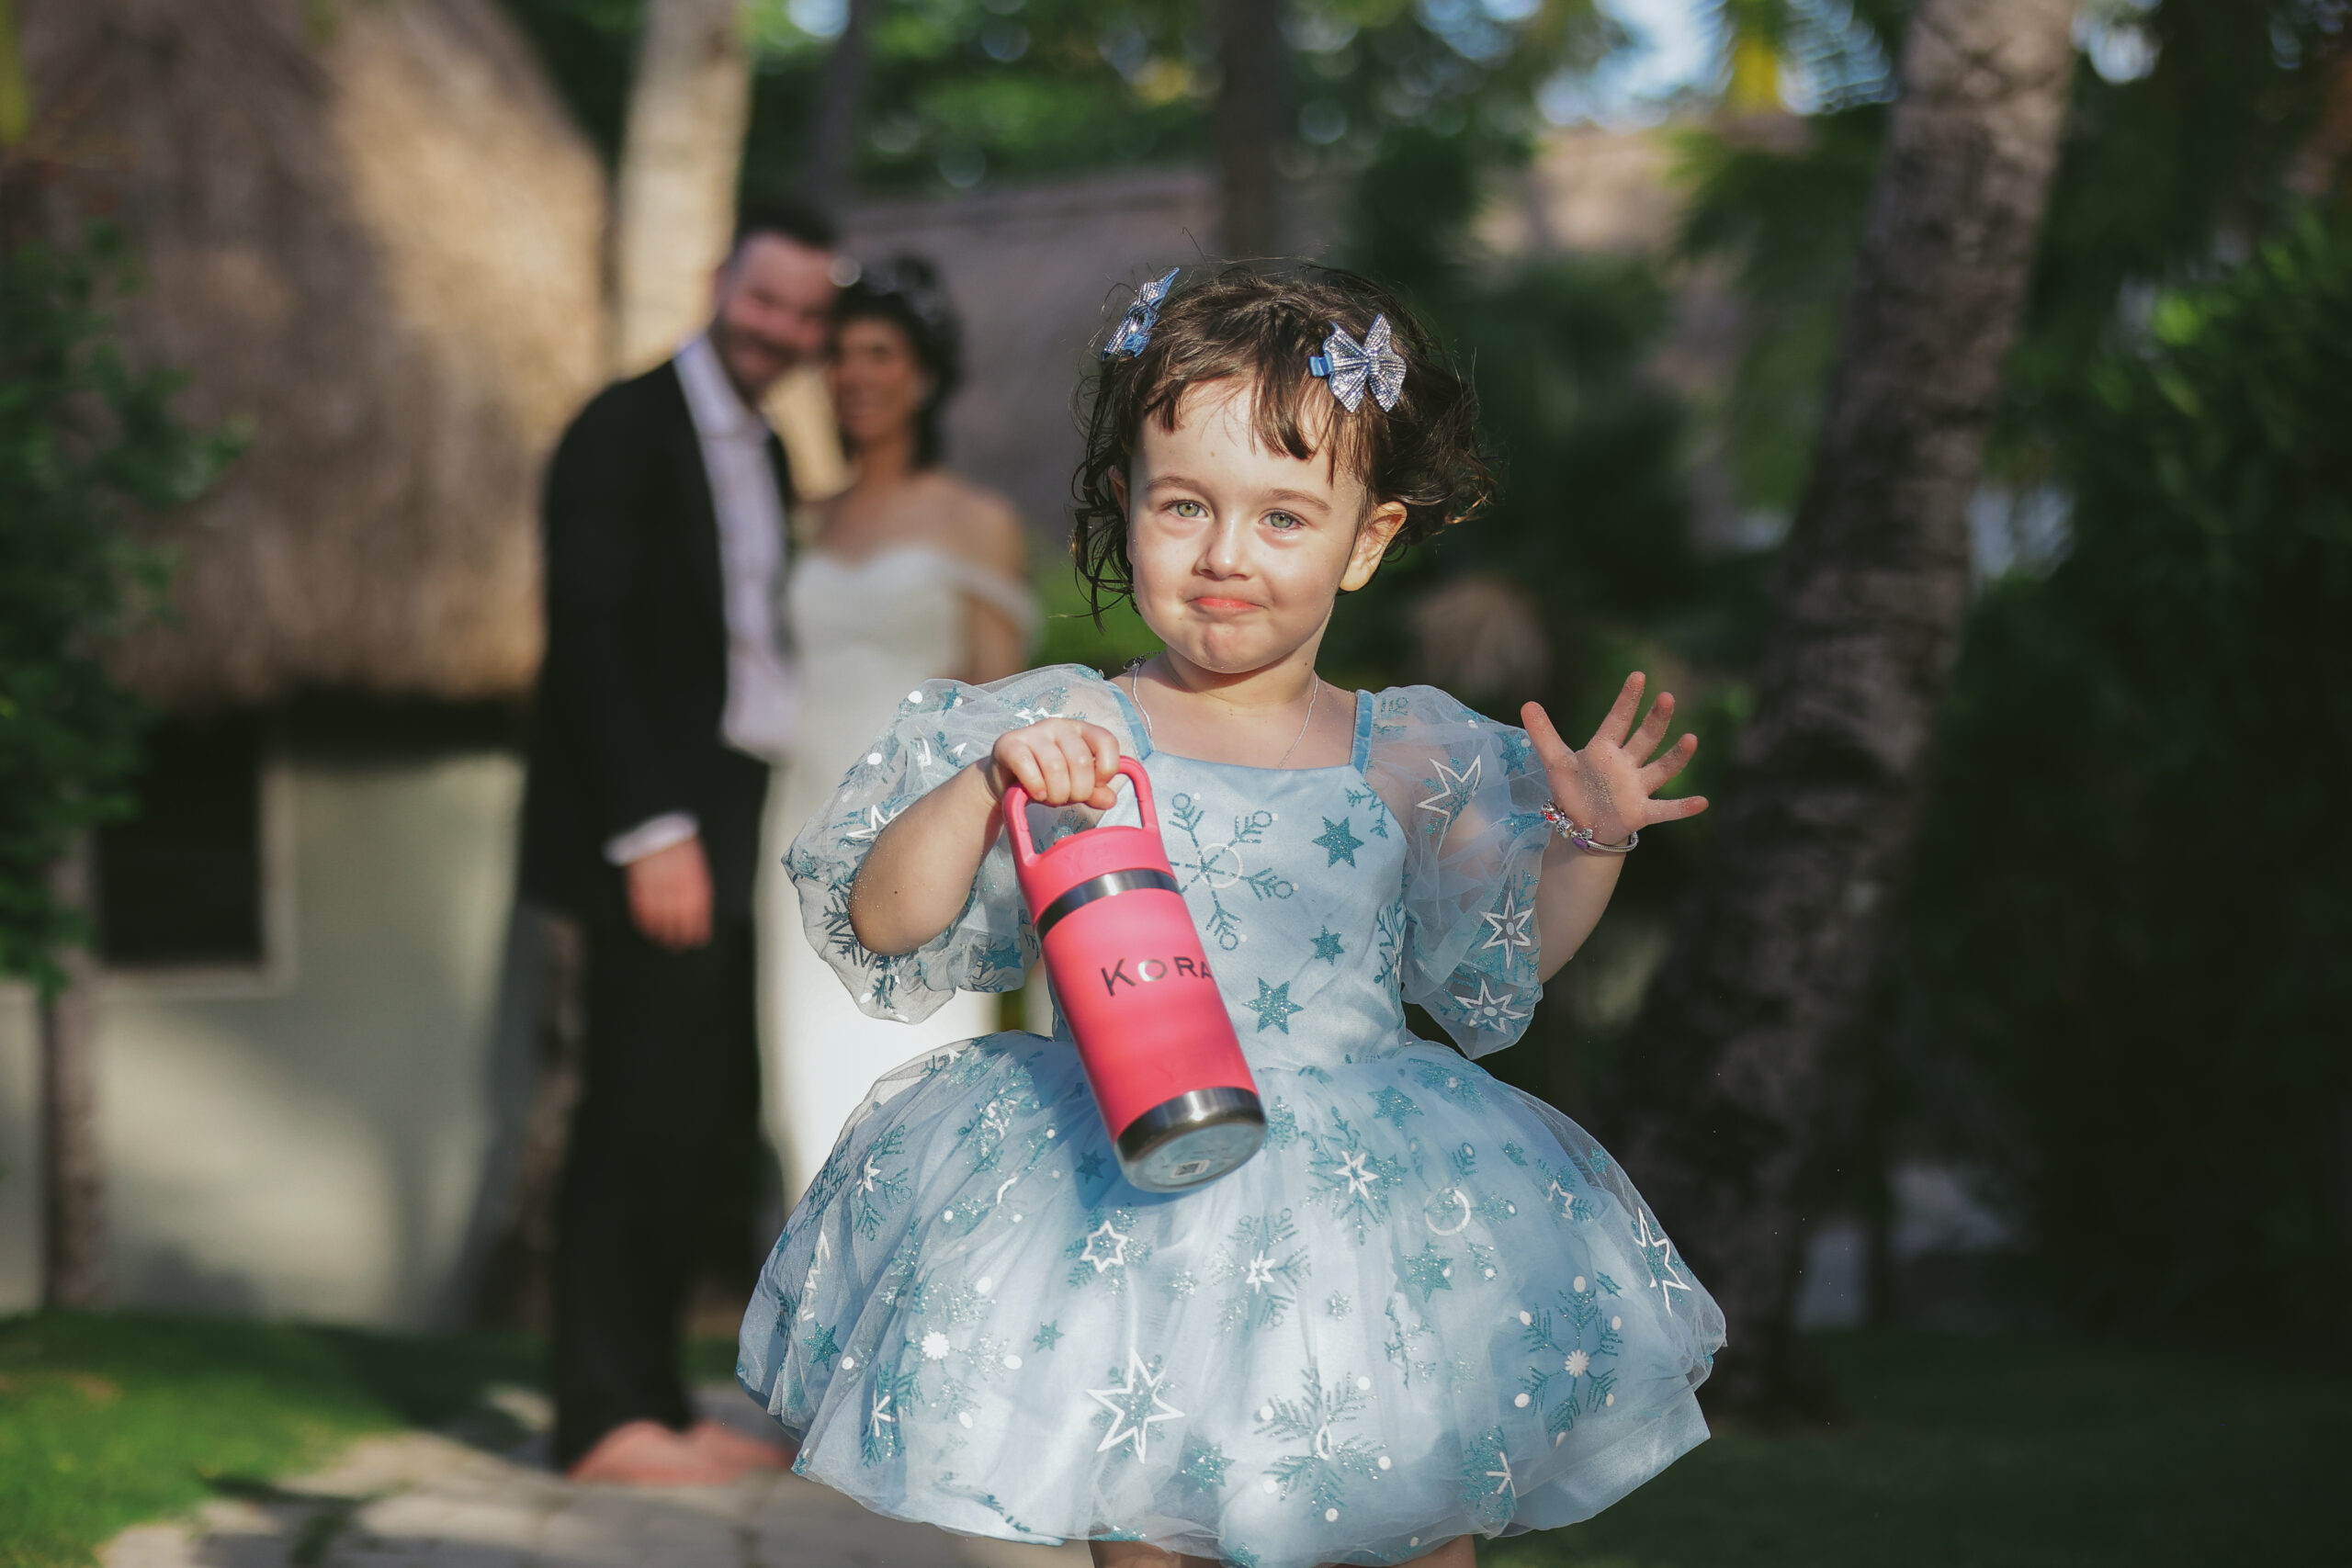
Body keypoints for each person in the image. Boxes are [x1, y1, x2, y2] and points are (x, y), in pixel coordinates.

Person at [738, 265, 1725, 1565]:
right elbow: (886, 911)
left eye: (1282, 517)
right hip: (1134, 1198)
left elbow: (1496, 970)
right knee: (1160, 1530)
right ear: (1125, 504)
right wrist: (990, 785)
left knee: (1420, 1535)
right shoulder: (1073, 727)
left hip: (1370, 1217)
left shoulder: (1405, 752)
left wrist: (1587, 841)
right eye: (1185, 505)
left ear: (1366, 540)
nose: (1224, 554)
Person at [518, 201, 838, 1486]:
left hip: (733, 795)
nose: (783, 329)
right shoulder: (621, 427)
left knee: (694, 1112)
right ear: (721, 285)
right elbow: (587, 642)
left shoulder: (760, 451)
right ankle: (597, 1419)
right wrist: (653, 828)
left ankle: (652, 1391)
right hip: (646, 812)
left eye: (807, 313)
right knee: (632, 1107)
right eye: (767, 300)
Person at [761, 254, 1035, 1205]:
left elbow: (1001, 706)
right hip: (792, 827)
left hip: (918, 837)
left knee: (912, 1097)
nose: (855, 375)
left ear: (922, 373)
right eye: (838, 355)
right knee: (802, 1093)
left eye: (878, 353)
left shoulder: (975, 521)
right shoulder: (800, 519)